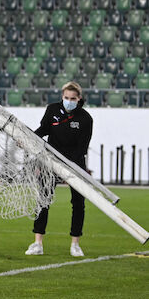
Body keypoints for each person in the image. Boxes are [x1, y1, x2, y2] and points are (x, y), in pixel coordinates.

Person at [25, 81, 92, 257]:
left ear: (79, 99)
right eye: (66, 98)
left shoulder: (86, 119)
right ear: (62, 97)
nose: (69, 101)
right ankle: (37, 242)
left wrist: (69, 165)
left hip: (75, 163)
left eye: (73, 98)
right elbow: (43, 130)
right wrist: (27, 139)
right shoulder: (52, 110)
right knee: (43, 200)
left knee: (78, 204)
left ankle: (75, 244)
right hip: (51, 162)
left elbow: (82, 148)